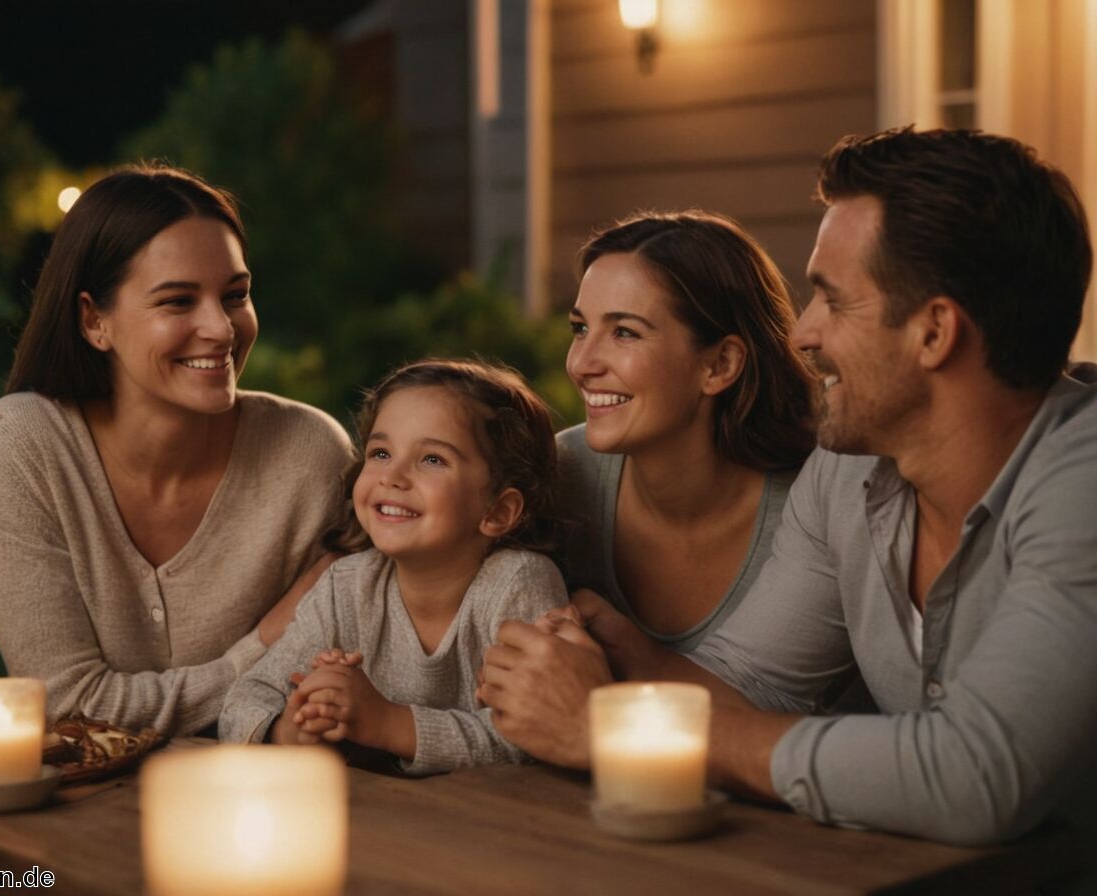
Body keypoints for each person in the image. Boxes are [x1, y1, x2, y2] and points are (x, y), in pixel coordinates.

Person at [480, 126, 1097, 853]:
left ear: (934, 333)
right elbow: (749, 692)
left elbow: (974, 777)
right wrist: (608, 653)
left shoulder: (1080, 481)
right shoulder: (850, 472)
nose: (802, 333)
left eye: (832, 302)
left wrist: (604, 728)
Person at [0, 164, 354, 736]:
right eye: (178, 301)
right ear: (94, 320)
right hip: (81, 818)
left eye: (235, 295)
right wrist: (262, 647)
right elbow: (68, 709)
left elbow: (327, 688)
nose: (221, 329)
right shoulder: (26, 444)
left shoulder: (310, 454)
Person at [219, 359, 567, 775]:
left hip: (491, 828)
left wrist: (387, 723)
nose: (393, 477)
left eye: (433, 459)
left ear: (498, 509)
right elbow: (246, 698)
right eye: (381, 453)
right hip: (374, 823)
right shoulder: (346, 586)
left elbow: (533, 737)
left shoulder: (518, 584)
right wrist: (293, 730)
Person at [554, 210, 818, 656]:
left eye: (623, 332)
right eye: (580, 328)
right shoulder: (560, 479)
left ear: (720, 365)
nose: (582, 364)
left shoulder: (815, 505)